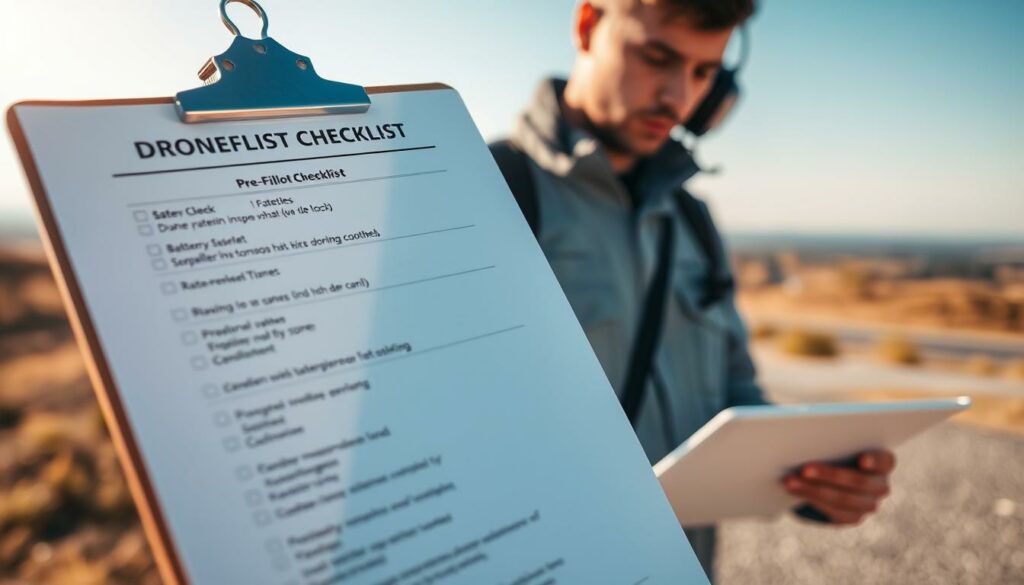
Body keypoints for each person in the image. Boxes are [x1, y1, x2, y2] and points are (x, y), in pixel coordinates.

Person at [491, 0, 896, 579]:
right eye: (658, 58)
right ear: (587, 26)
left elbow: (733, 392)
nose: (679, 97)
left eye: (705, 73)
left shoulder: (694, 221)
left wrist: (811, 478)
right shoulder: (482, 194)